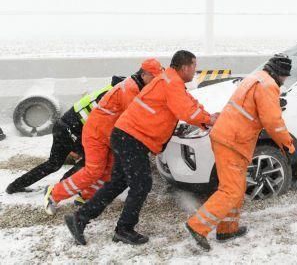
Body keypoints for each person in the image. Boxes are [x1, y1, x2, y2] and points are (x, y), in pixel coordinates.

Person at [64, 50, 218, 246]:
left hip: (126, 135)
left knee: (118, 182)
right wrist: (207, 119)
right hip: (131, 138)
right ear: (186, 67)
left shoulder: (170, 80)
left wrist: (208, 118)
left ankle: (79, 218)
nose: (195, 71)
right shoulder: (171, 83)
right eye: (194, 67)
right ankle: (124, 229)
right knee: (142, 184)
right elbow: (185, 110)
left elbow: (189, 104)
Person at [185, 53, 295, 251]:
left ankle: (227, 228)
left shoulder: (255, 78)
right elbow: (273, 122)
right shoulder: (268, 85)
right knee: (231, 190)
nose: (285, 80)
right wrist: (287, 144)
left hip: (228, 137)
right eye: (285, 77)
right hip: (233, 140)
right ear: (279, 73)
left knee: (235, 185)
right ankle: (197, 226)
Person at [44, 59, 163, 215]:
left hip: (110, 136)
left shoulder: (136, 86)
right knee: (93, 170)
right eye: (155, 77)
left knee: (108, 171)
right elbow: (138, 119)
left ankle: (85, 196)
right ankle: (54, 193)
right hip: (97, 134)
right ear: (145, 74)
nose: (156, 81)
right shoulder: (130, 90)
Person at [5, 77, 123, 194]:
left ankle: (15, 186)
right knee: (91, 161)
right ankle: (61, 188)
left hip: (62, 126)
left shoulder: (109, 90)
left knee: (53, 164)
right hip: (73, 130)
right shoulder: (112, 97)